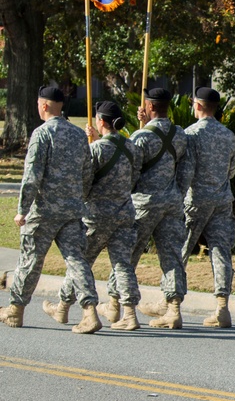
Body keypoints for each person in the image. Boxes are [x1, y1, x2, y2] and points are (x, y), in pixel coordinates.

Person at [0, 86, 102, 334]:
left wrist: (22, 209)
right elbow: (87, 173)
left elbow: (32, 176)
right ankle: (90, 312)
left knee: (30, 260)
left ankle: (15, 310)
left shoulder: (42, 134)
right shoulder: (79, 135)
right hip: (71, 210)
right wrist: (79, 197)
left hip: (43, 211)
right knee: (77, 261)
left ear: (44, 106)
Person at [50, 101, 143, 330]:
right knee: (123, 264)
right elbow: (134, 178)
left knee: (81, 263)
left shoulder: (97, 149)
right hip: (124, 211)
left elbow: (85, 181)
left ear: (101, 122)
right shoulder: (132, 148)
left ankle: (62, 306)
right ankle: (130, 313)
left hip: (97, 215)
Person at [109, 87, 189, 329]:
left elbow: (130, 172)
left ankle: (119, 307)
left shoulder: (140, 138)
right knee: (172, 255)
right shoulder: (180, 134)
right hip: (172, 201)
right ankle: (174, 309)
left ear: (151, 106)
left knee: (127, 255)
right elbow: (184, 170)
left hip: (144, 202)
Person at [177, 87, 235, 328]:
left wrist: (177, 198)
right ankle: (222, 307)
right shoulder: (228, 135)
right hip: (222, 199)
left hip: (195, 200)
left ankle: (171, 304)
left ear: (198, 106)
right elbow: (231, 171)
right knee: (221, 252)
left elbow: (186, 171)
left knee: (179, 250)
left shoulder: (190, 134)